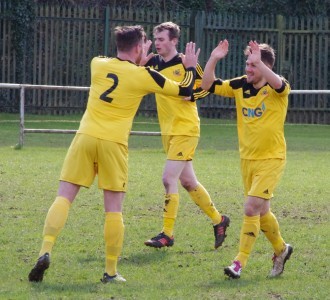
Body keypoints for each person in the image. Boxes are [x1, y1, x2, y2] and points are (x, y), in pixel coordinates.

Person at [28, 25, 200, 284]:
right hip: (114, 144)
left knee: (64, 197)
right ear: (139, 48)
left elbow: (123, 66)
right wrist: (189, 66)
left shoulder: (97, 63)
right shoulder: (144, 76)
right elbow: (186, 90)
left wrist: (139, 57)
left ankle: (45, 250)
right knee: (113, 209)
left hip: (84, 137)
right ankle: (110, 271)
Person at [201, 39, 293, 279]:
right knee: (261, 213)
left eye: (252, 65)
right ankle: (281, 250)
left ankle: (238, 262)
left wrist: (260, 65)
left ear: (264, 66)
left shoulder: (277, 88)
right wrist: (214, 58)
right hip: (247, 160)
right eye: (247, 64)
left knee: (251, 207)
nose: (247, 69)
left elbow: (279, 83)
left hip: (272, 158)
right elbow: (207, 84)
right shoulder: (240, 85)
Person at [141, 22, 230, 250]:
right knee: (188, 182)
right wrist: (140, 63)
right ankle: (219, 221)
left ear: (174, 41)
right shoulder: (152, 63)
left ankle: (167, 234)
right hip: (168, 130)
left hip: (186, 128)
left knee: (168, 179)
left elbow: (206, 86)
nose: (158, 43)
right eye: (156, 39)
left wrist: (192, 96)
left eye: (162, 39)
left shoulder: (185, 62)